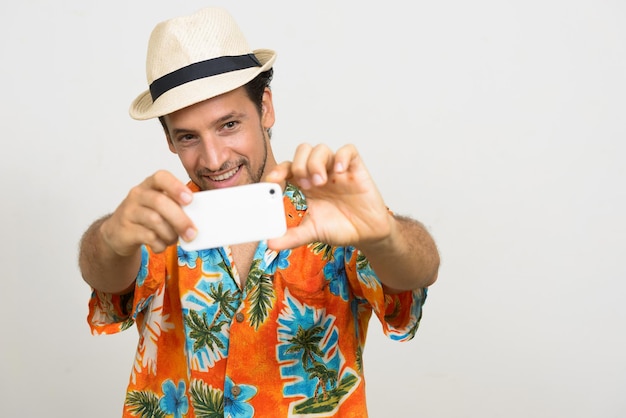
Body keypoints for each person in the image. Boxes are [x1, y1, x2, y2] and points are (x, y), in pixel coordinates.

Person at [79, 7, 439, 418]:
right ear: (168, 140)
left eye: (229, 125)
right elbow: (107, 278)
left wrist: (383, 236)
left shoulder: (332, 208)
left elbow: (417, 272)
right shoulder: (160, 219)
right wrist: (109, 238)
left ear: (265, 107)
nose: (213, 159)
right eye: (188, 137)